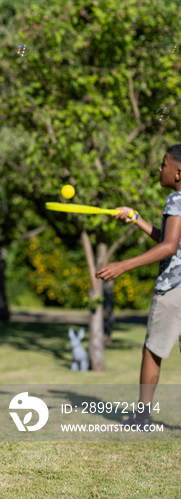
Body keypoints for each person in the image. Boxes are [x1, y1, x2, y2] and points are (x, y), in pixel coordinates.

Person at [96, 144, 181, 429]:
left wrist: (123, 265)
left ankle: (142, 415)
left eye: (163, 164)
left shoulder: (176, 198)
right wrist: (138, 220)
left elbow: (169, 247)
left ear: (178, 172)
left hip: (174, 287)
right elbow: (171, 240)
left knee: (152, 350)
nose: (160, 168)